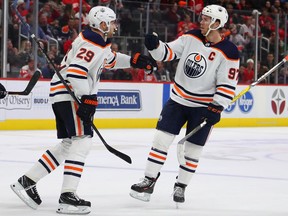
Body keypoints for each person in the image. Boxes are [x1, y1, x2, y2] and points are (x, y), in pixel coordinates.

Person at [10, 6, 156, 215]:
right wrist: (87, 99)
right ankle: (68, 196)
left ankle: (26, 181)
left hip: (64, 92)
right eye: (112, 22)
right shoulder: (91, 42)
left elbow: (109, 60)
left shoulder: (98, 42)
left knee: (70, 143)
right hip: (69, 93)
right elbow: (77, 72)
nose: (115, 25)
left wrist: (134, 61)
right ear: (103, 25)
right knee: (82, 140)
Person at [130, 5, 240, 204]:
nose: (202, 21)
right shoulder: (192, 37)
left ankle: (181, 186)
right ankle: (148, 180)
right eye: (203, 17)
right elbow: (168, 52)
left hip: (202, 107)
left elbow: (227, 84)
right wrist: (156, 47)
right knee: (160, 140)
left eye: (206, 19)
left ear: (217, 24)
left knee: (192, 150)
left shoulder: (229, 52)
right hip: (178, 100)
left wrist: (217, 106)